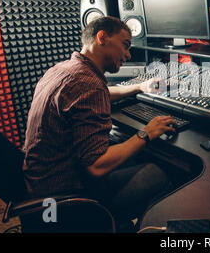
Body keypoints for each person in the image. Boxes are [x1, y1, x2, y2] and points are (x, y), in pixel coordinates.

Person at [22, 16, 176, 230]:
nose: (128, 54)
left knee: (128, 157)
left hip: (39, 185)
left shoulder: (63, 70)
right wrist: (146, 133)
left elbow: (97, 93)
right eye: (125, 45)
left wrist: (138, 87)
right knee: (159, 173)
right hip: (67, 195)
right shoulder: (89, 85)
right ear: (102, 37)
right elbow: (96, 166)